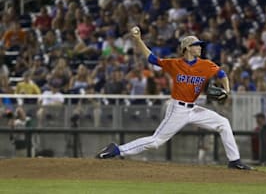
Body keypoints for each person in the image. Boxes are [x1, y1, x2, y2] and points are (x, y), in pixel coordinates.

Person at [96, 26, 253, 170]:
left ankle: (234, 161)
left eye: (199, 44)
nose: (200, 47)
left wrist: (227, 90)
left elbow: (222, 74)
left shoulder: (206, 64)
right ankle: (117, 149)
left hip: (194, 108)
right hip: (177, 109)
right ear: (187, 48)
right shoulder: (175, 64)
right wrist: (138, 40)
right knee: (156, 141)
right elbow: (152, 59)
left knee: (223, 123)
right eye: (196, 44)